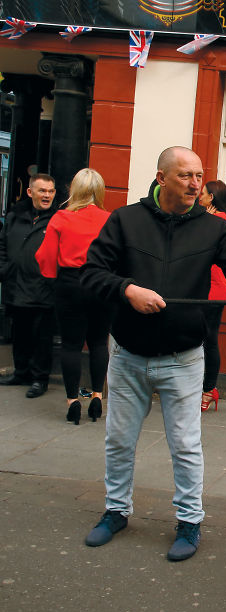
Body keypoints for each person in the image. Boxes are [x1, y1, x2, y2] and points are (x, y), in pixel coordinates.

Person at [79, 147, 226, 562]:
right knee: (119, 440)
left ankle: (190, 522)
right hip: (128, 355)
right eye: (185, 176)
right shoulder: (125, 220)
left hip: (184, 358)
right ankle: (116, 511)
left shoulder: (214, 228)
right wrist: (127, 290)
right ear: (161, 178)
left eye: (198, 176)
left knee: (186, 446)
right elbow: (91, 273)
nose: (195, 184)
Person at [35, 168, 112, 424]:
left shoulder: (61, 217)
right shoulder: (110, 219)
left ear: (74, 190)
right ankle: (97, 395)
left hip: (70, 283)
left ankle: (72, 400)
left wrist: (51, 276)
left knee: (71, 344)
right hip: (101, 283)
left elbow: (46, 257)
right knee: (99, 342)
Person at [0, 173, 58, 398]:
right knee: (20, 332)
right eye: (42, 191)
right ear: (30, 192)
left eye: (50, 191)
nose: (47, 195)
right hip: (16, 285)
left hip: (43, 288)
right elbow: (2, 244)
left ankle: (39, 379)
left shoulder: (57, 219)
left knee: (42, 337)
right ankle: (21, 372)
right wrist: (4, 269)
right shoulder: (15, 216)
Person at [198, 180, 226, 412]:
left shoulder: (220, 221)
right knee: (205, 339)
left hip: (214, 289)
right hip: (211, 288)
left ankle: (208, 389)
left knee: (208, 339)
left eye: (203, 194)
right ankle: (205, 388)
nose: (199, 197)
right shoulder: (218, 218)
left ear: (212, 197)